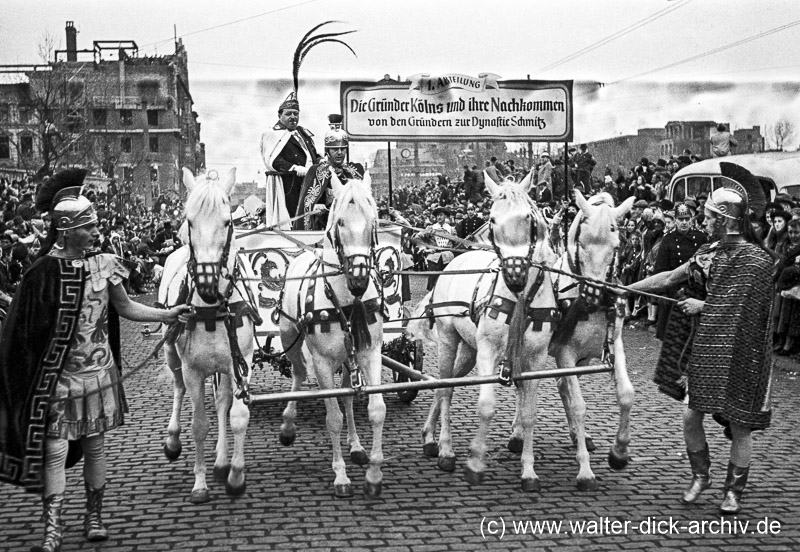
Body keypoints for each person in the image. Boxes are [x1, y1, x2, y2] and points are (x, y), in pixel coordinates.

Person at [0, 168, 190, 552]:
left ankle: (94, 516)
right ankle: (52, 529)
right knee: (53, 449)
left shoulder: (106, 265)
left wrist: (167, 314)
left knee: (95, 447)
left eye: (96, 226)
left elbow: (128, 308)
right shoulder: (40, 274)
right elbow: (21, 334)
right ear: (67, 230)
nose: (96, 233)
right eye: (88, 227)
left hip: (98, 375)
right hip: (57, 381)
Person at [626, 162, 773, 515]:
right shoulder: (707, 253)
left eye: (708, 217)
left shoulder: (757, 260)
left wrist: (703, 304)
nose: (703, 223)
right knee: (691, 417)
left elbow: (747, 309)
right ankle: (700, 476)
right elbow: (666, 279)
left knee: (740, 425)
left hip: (743, 353)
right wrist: (622, 289)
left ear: (724, 219)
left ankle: (734, 491)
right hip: (706, 349)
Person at [294, 114, 363, 230]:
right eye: (335, 149)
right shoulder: (317, 171)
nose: (339, 152)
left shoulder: (355, 170)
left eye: (343, 149)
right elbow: (307, 204)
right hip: (323, 226)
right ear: (327, 151)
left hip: (351, 226)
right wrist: (316, 207)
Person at [260, 93, 320, 227]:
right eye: (288, 114)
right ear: (279, 115)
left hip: (307, 184)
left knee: (310, 218)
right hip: (288, 185)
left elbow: (312, 153)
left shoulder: (302, 133)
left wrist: (320, 160)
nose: (293, 117)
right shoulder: (272, 134)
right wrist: (295, 168)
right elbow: (273, 161)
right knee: (292, 220)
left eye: (296, 113)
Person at [416, 206, 455, 291]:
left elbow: (457, 243)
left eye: (441, 215)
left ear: (446, 216)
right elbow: (417, 237)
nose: (439, 217)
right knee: (433, 282)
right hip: (434, 258)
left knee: (447, 282)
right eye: (437, 215)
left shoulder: (451, 229)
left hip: (448, 258)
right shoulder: (431, 228)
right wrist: (425, 249)